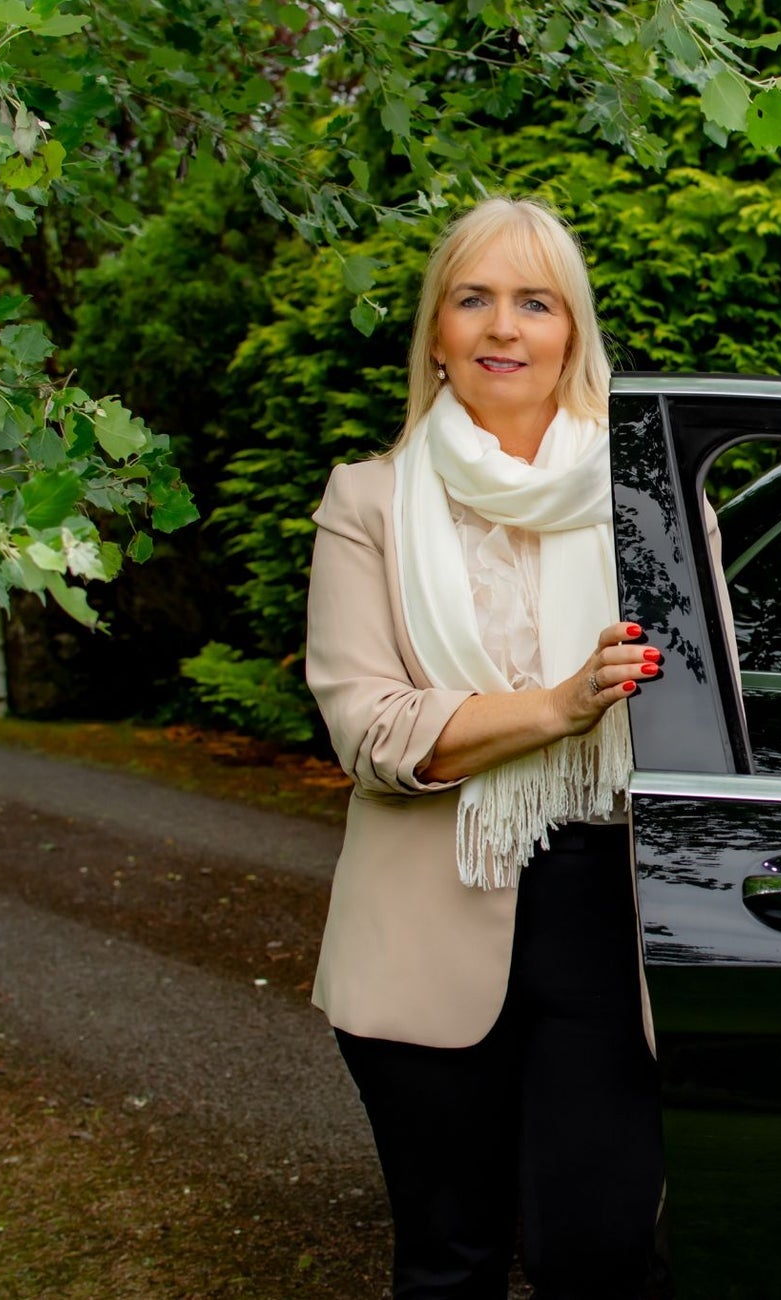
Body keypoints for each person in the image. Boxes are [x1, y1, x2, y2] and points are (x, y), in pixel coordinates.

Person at [304, 195, 664, 1299]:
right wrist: (555, 709)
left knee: (600, 1256)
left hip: (611, 913)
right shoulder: (367, 501)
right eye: (474, 299)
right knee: (448, 1261)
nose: (503, 327)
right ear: (438, 334)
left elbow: (707, 715)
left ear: (571, 331)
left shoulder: (646, 502)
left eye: (533, 301)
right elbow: (371, 728)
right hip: (425, 913)